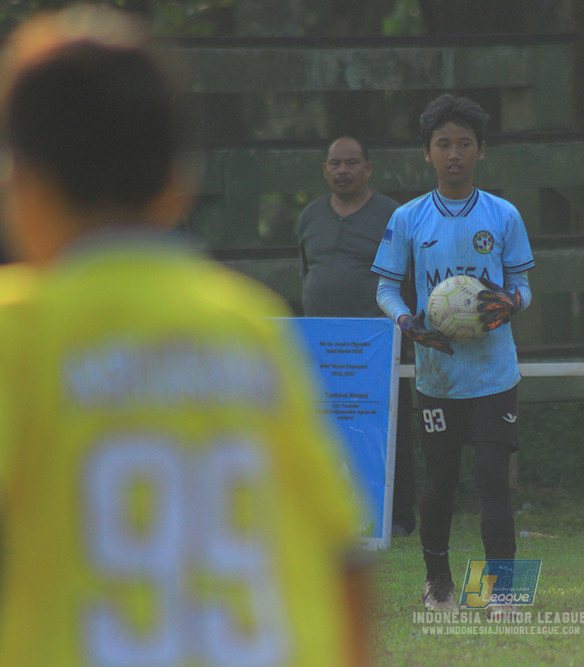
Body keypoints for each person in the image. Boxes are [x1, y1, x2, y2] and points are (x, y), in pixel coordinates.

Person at [0, 7, 369, 666]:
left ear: (20, 185)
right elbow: (342, 554)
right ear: (178, 186)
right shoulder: (248, 324)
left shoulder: (20, 332)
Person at [372, 93, 534, 612]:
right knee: (440, 483)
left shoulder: (503, 214)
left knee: (492, 478)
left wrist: (511, 302)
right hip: (437, 374)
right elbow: (386, 289)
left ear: (480, 150)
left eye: (464, 143)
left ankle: (502, 592)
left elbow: (524, 286)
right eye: (443, 144)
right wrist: (407, 322)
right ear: (428, 153)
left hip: (494, 372)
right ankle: (438, 585)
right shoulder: (408, 218)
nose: (454, 153)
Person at [298, 134, 416, 538]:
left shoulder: (393, 216)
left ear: (368, 168)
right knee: (322, 432)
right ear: (325, 169)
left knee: (389, 433)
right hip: (321, 350)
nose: (342, 170)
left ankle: (396, 519)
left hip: (378, 347)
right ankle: (325, 517)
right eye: (335, 163)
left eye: (351, 162)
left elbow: (407, 281)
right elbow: (307, 272)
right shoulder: (309, 217)